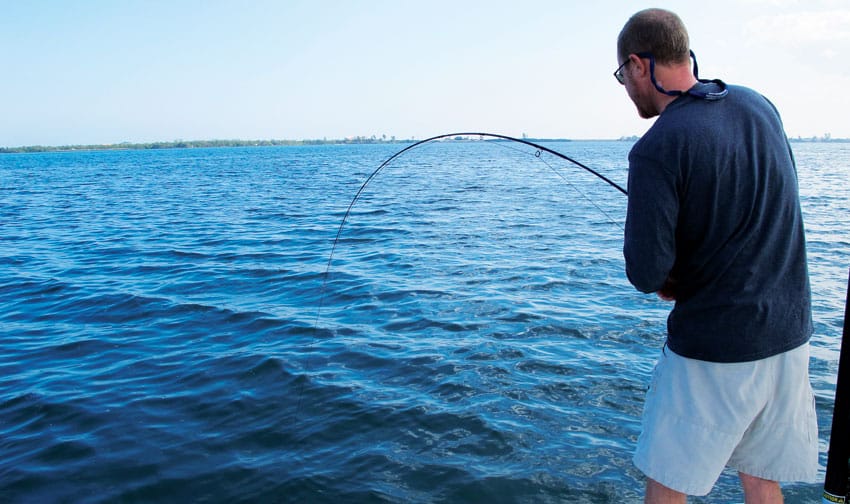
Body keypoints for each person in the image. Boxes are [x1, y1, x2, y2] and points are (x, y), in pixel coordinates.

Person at [615, 8, 819, 503]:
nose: (625, 86)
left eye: (623, 74)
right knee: (761, 479)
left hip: (716, 352)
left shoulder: (657, 147)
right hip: (790, 338)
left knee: (667, 484)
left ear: (642, 65)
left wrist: (671, 276)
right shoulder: (760, 106)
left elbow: (646, 273)